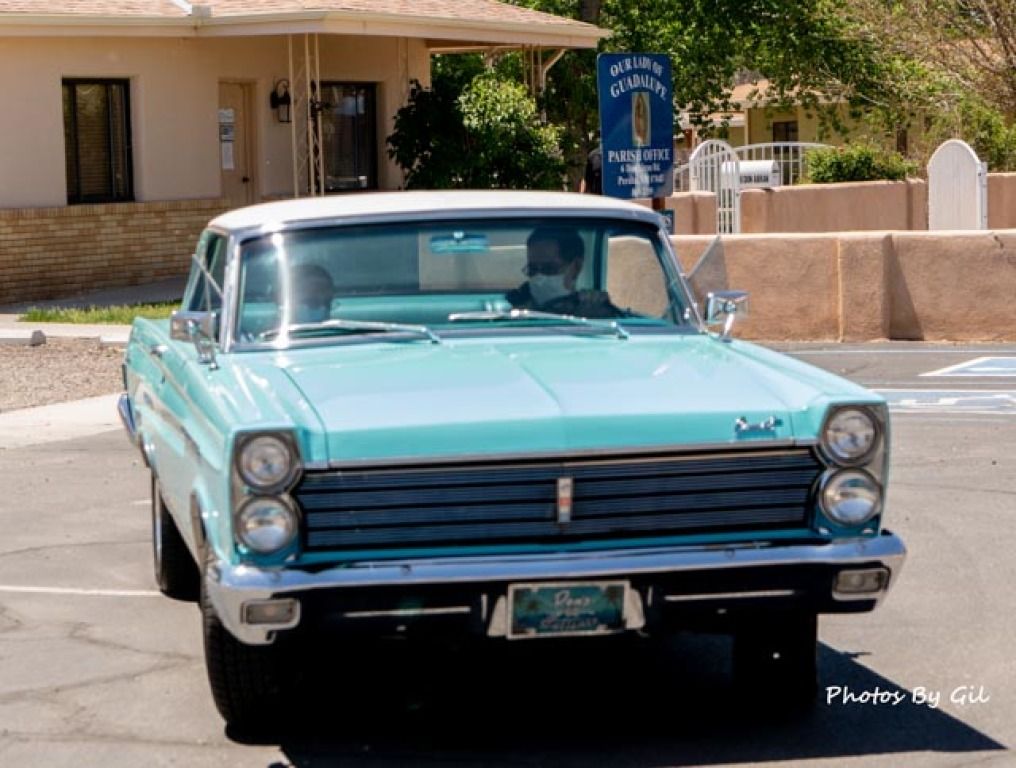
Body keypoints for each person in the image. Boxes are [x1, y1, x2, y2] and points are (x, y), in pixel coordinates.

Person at [506, 227, 621, 318]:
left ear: (575, 267)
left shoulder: (593, 307)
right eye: (533, 270)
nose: (539, 278)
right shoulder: (516, 307)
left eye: (549, 269)